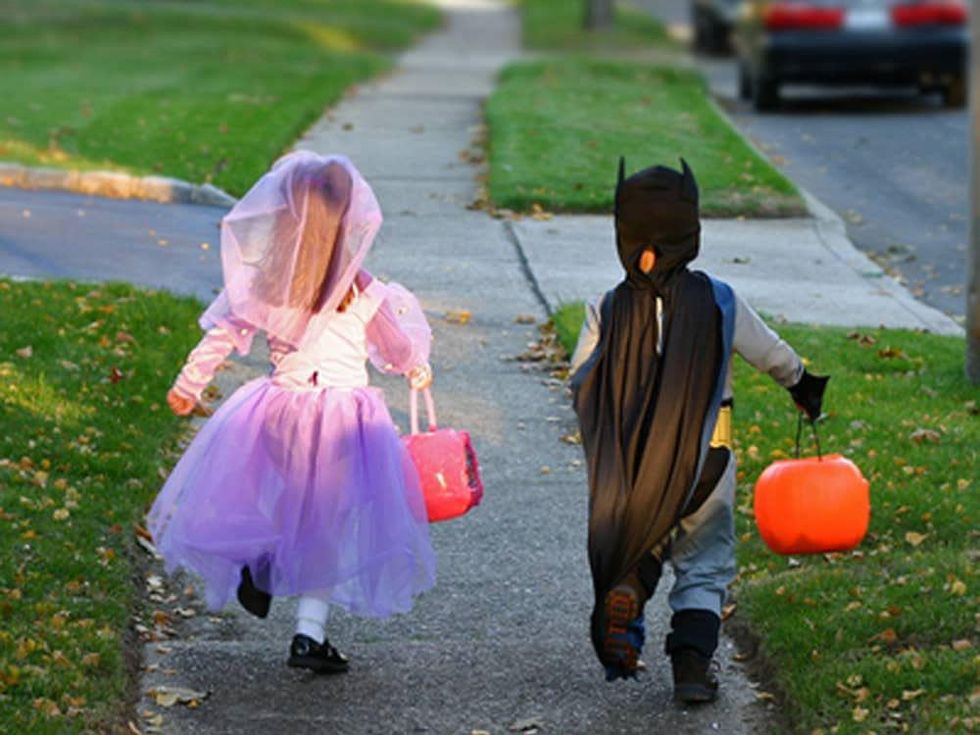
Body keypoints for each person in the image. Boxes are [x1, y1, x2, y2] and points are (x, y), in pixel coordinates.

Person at [148, 151, 436, 673]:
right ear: (348, 218)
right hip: (345, 424)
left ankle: (261, 563)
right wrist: (416, 366)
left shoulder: (269, 280)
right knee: (327, 520)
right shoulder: (359, 287)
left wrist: (189, 384)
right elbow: (396, 345)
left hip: (281, 414)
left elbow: (224, 334)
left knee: (293, 505)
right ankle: (308, 633)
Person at [569, 158, 828, 703]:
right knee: (705, 562)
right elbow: (774, 355)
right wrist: (803, 386)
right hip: (708, 456)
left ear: (625, 234)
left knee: (641, 538)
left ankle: (627, 593)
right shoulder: (719, 299)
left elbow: (581, 378)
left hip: (638, 463)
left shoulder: (608, 308)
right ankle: (691, 667)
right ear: (691, 235)